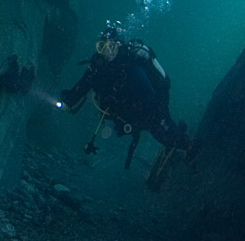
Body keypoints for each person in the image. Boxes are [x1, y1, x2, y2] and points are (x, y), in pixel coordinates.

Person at [60, 26, 192, 168]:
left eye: (110, 46)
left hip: (147, 111)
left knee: (164, 132)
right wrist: (69, 99)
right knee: (161, 132)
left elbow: (151, 92)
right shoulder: (96, 69)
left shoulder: (131, 63)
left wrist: (152, 116)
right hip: (124, 117)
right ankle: (178, 138)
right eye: (101, 47)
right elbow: (82, 86)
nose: (106, 52)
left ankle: (188, 146)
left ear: (118, 45)